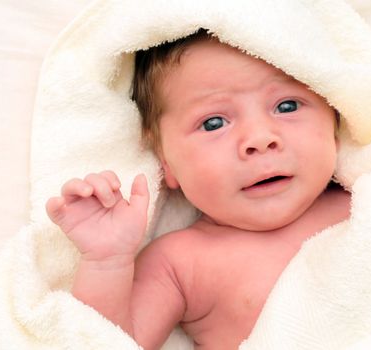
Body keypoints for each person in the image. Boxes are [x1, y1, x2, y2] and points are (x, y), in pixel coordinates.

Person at [45, 29, 351, 350]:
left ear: (335, 122)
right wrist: (107, 260)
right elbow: (107, 341)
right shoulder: (179, 263)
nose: (260, 139)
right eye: (214, 123)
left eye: (287, 106)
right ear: (167, 162)